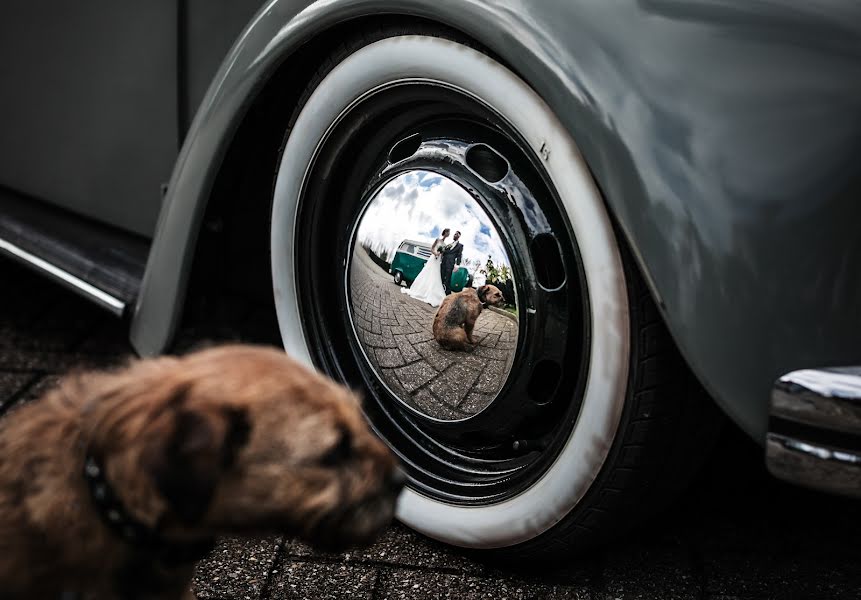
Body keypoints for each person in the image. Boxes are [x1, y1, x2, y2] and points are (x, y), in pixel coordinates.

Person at [402, 229, 449, 306]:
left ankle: (432, 292)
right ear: (445, 233)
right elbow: (432, 248)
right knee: (427, 272)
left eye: (449, 233)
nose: (448, 234)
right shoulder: (437, 240)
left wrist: (440, 256)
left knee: (435, 275)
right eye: (448, 232)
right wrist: (435, 253)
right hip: (433, 257)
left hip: (438, 261)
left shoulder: (445, 244)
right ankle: (422, 291)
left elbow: (443, 254)